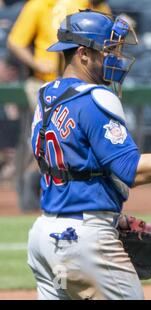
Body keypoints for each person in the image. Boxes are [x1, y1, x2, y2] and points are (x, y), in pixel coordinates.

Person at [28, 10, 151, 300]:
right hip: (84, 241)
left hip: (45, 241)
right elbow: (132, 170)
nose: (115, 58)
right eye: (108, 49)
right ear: (83, 54)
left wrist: (109, 213)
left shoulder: (46, 96)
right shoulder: (96, 98)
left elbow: (72, 168)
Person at [7, 0, 111, 211]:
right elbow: (15, 41)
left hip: (80, 82)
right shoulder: (40, 4)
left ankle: (37, 181)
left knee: (67, 140)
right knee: (43, 138)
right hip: (43, 81)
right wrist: (36, 63)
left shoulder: (92, 5)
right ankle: (28, 182)